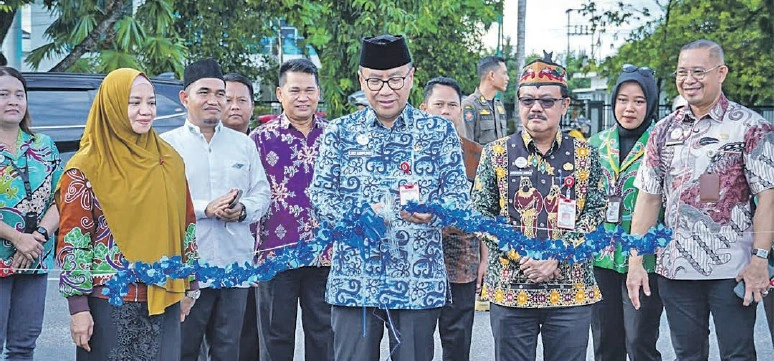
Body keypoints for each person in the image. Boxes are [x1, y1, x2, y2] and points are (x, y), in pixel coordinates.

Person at [308, 34, 470, 361]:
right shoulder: (339, 132)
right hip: (355, 279)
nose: (385, 90)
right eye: (375, 81)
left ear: (411, 77)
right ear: (361, 79)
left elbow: (459, 198)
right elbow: (320, 194)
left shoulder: (438, 132)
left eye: (395, 79)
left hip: (417, 278)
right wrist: (353, 217)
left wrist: (434, 212)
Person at [627, 39, 774, 360]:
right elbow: (648, 199)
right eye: (682, 72)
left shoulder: (750, 126)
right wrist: (635, 262)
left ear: (721, 73)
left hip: (734, 269)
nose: (689, 79)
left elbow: (768, 197)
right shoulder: (663, 131)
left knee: (738, 354)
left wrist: (760, 260)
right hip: (675, 270)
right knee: (688, 354)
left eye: (698, 71)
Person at [55, 68, 198, 360]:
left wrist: (190, 286)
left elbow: (186, 225)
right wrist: (78, 308)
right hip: (109, 303)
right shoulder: (86, 167)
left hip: (164, 297)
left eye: (151, 102)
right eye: (134, 102)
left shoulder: (169, 160)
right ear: (113, 106)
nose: (146, 111)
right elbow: (74, 241)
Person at [471, 52, 606, 361]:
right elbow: (480, 214)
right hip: (512, 290)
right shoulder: (496, 153)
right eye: (527, 100)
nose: (536, 108)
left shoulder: (586, 155)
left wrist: (555, 255)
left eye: (546, 101)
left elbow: (596, 212)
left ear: (564, 105)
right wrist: (524, 255)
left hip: (571, 291)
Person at [161, 59, 271, 361]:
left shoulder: (243, 145)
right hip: (187, 269)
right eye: (204, 92)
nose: (214, 100)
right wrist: (204, 209)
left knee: (228, 350)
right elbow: (160, 202)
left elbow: (262, 193)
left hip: (234, 267)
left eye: (220, 93)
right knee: (182, 350)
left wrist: (243, 210)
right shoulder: (166, 146)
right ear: (185, 97)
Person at [250, 58, 333, 361]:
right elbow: (251, 194)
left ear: (318, 93)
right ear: (280, 93)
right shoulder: (259, 139)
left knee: (324, 335)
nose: (303, 97)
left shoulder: (335, 136)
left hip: (325, 253)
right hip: (275, 253)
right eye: (295, 90)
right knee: (276, 337)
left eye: (309, 90)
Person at [588, 64, 663, 361]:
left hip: (646, 260)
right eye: (622, 100)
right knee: (605, 342)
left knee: (640, 341)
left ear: (651, 103)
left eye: (638, 101)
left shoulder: (662, 143)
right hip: (602, 257)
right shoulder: (596, 144)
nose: (629, 108)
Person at [0, 66, 62, 360]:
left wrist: (37, 237)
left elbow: (61, 198)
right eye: (3, 94)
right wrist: (17, 238)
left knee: (24, 346)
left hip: (34, 258)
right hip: (3, 256)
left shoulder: (44, 145)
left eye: (19, 94)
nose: (13, 101)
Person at [418, 76, 480, 361]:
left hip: (462, 260)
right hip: (417, 261)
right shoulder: (408, 151)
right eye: (438, 104)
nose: (445, 111)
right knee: (416, 342)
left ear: (461, 110)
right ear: (424, 108)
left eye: (452, 105)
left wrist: (484, 260)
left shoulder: (476, 154)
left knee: (457, 340)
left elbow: (485, 211)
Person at [462, 56, 509, 145]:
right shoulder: (469, 105)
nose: (507, 78)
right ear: (492, 75)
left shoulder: (499, 105)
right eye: (504, 73)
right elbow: (466, 145)